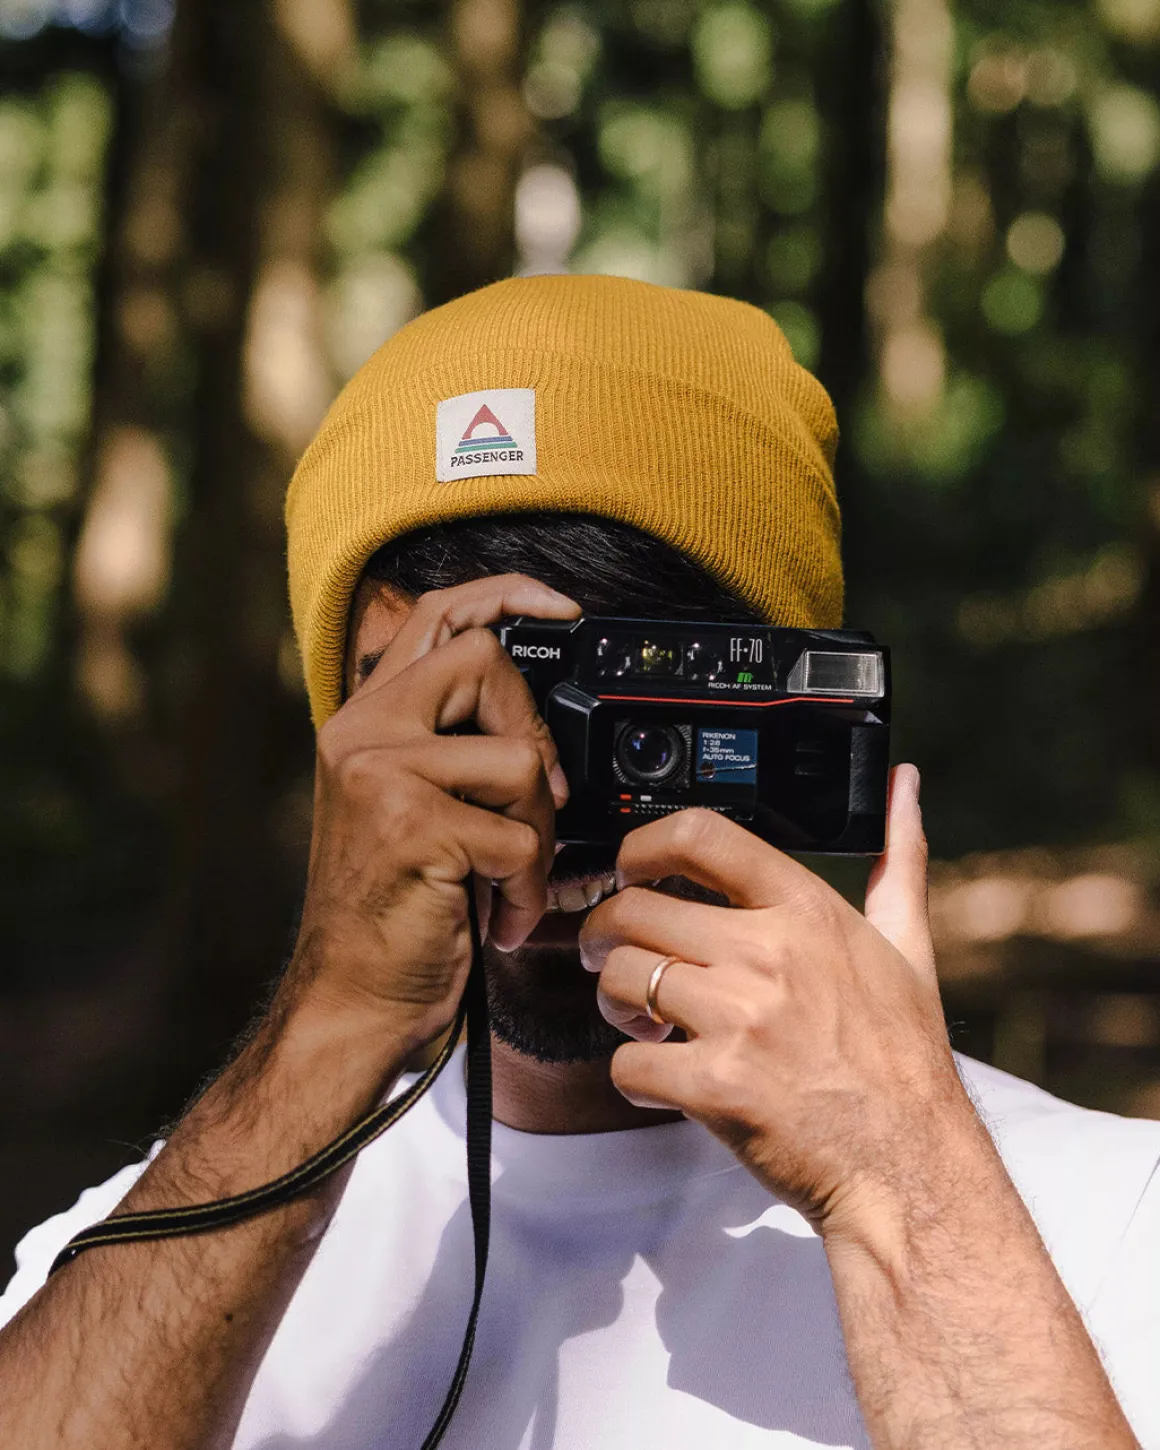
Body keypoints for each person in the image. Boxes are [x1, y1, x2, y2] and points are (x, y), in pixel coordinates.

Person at [0, 275, 1157, 1450]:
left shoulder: (1110, 1219)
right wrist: (327, 1028)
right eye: (445, 705)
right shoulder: (155, 1253)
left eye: (615, 705)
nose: (529, 785)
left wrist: (903, 1188)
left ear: (780, 705)